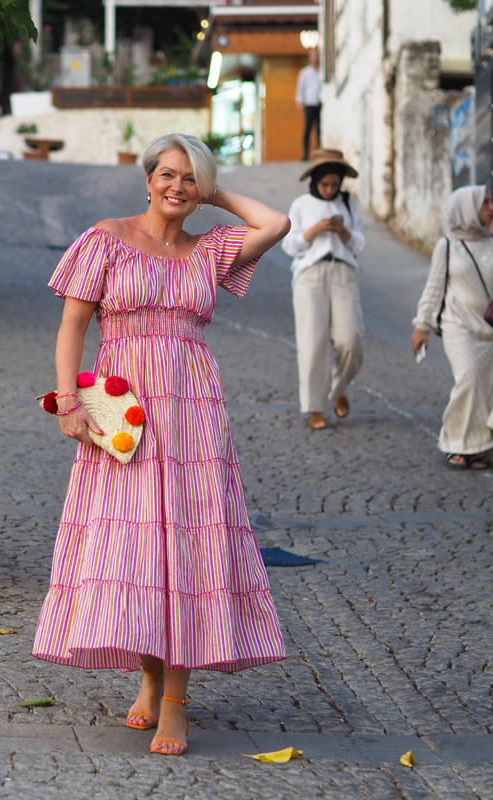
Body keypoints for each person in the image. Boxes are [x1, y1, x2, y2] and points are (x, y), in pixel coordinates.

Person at [32, 133, 290, 756]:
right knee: (137, 551)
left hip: (193, 421)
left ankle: (176, 700)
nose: (177, 187)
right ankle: (149, 679)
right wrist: (68, 403)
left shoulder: (211, 250)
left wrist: (213, 188)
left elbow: (277, 221)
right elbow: (72, 327)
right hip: (123, 414)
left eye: (189, 180)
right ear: (147, 178)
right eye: (167, 175)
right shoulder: (106, 239)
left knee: (188, 550)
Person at [282, 148, 365, 430]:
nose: (330, 189)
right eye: (324, 184)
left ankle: (338, 389)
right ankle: (315, 407)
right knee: (312, 342)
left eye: (334, 184)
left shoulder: (349, 202)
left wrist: (342, 232)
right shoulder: (301, 204)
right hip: (310, 275)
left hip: (343, 272)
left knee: (351, 340)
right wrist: (314, 230)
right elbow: (289, 245)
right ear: (315, 180)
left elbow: (360, 245)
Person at [411, 185, 493, 469]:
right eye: (484, 203)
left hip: (489, 329)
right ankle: (457, 442)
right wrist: (422, 325)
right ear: (467, 208)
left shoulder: (491, 241)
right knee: (469, 379)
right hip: (459, 327)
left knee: (486, 388)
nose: (491, 207)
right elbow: (434, 288)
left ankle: (479, 447)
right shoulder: (447, 246)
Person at [296, 49, 321, 161]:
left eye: (316, 55)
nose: (315, 58)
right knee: (308, 129)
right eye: (313, 56)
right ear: (310, 58)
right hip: (310, 103)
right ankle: (306, 154)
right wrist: (300, 101)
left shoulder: (322, 71)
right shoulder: (305, 73)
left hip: (320, 103)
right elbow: (300, 88)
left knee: (320, 129)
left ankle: (320, 152)